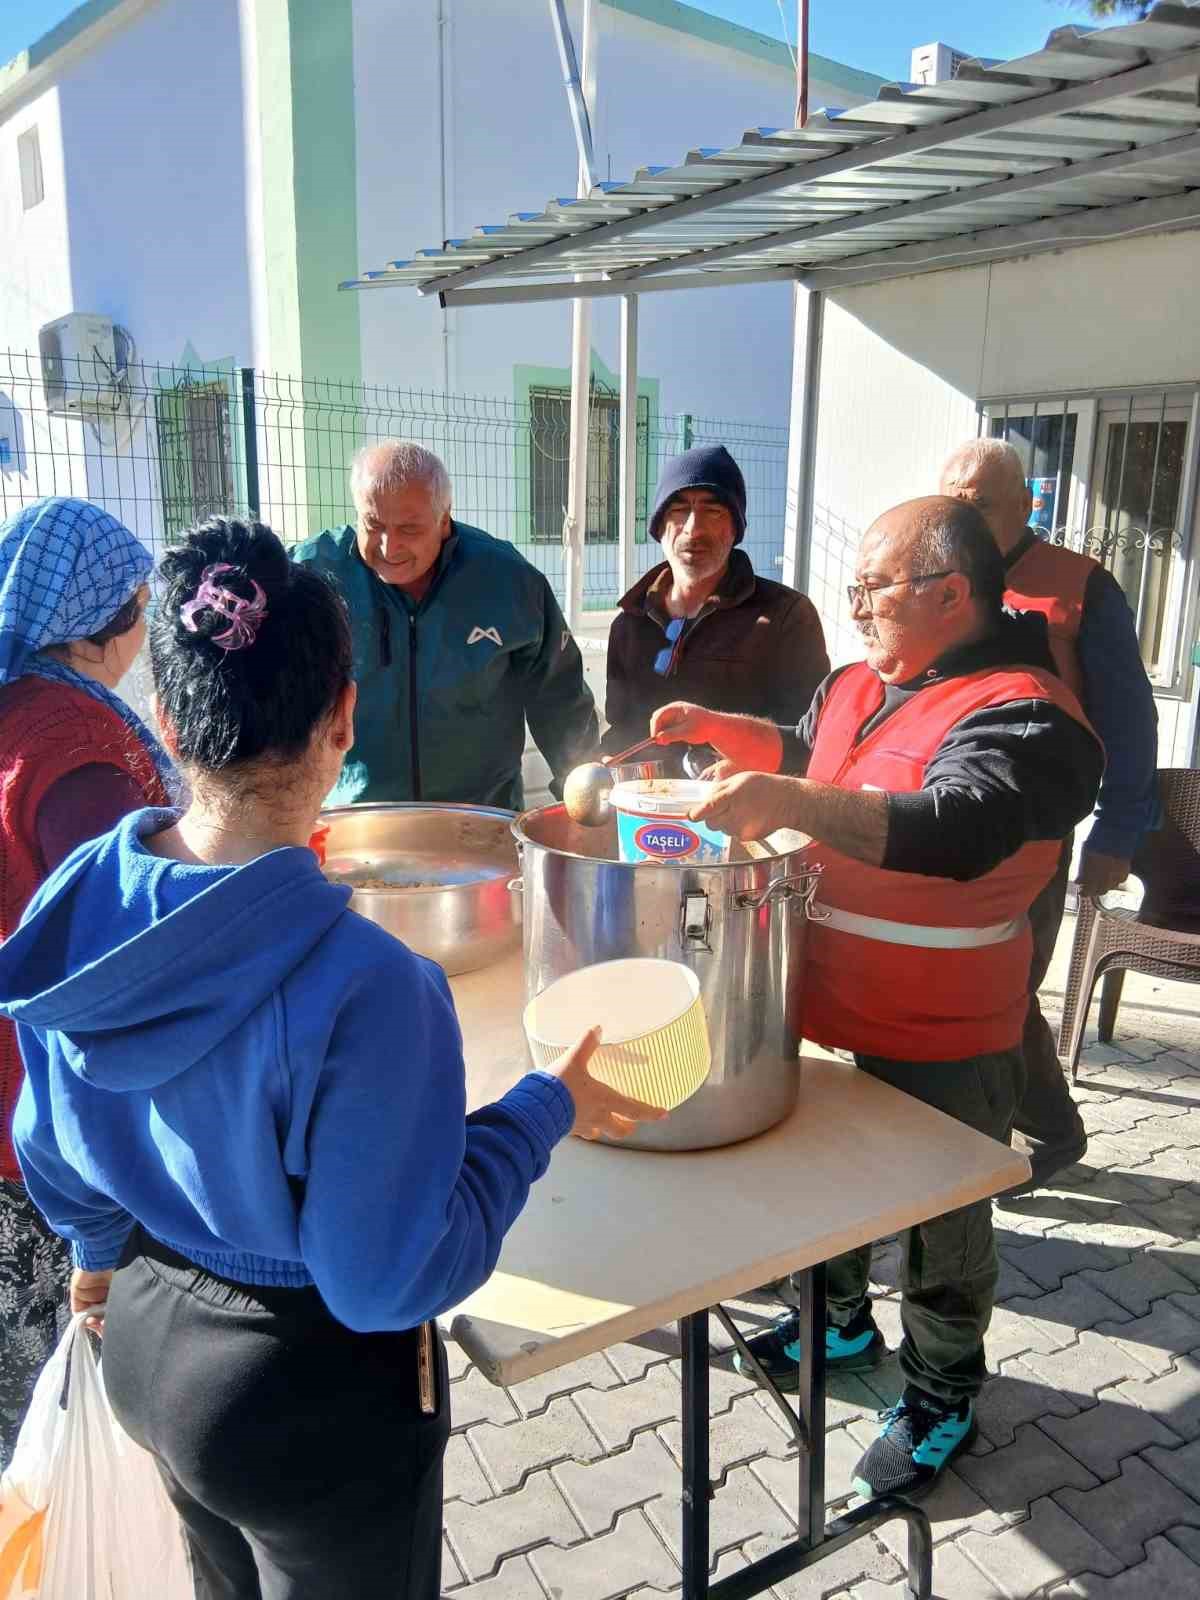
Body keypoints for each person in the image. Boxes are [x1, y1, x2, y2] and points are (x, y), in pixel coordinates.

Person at [0, 517, 659, 1599]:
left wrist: (97, 1260)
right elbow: (382, 1274)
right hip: (306, 1402)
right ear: (342, 719)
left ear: (165, 718)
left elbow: (52, 1146)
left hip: (147, 1346)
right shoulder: (373, 986)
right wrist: (546, 1107)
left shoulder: (75, 907)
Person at [651, 497, 1102, 1501]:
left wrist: (788, 804)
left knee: (943, 1230)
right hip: (819, 1006)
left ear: (949, 594)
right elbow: (810, 753)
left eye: (872, 590)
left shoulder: (1030, 713)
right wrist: (724, 733)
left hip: (944, 1034)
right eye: (851, 589)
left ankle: (942, 1393)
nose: (855, 609)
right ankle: (837, 1322)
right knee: (823, 1193)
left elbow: (959, 823)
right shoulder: (860, 679)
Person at [0, 497, 174, 1467]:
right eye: (139, 601)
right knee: (53, 1411)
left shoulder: (15, 704)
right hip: (44, 1137)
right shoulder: (76, 747)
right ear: (110, 615)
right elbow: (117, 950)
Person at [940, 439, 1159, 1191]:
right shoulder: (943, 579)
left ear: (1025, 504)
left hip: (1034, 828)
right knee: (976, 980)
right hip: (949, 815)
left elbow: (1130, 719)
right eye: (951, 500)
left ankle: (1014, 1141)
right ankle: (1046, 1128)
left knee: (1005, 984)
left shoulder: (1079, 585)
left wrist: (1120, 831)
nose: (961, 515)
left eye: (979, 502)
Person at [294, 440, 599, 809]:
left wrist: (581, 798)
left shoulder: (509, 581)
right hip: (355, 823)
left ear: (444, 518)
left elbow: (561, 699)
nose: (389, 548)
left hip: (482, 821)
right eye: (373, 524)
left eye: (409, 529)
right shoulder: (311, 577)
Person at [602, 445, 829, 772]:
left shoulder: (784, 617)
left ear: (735, 528)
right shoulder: (630, 624)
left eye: (713, 511)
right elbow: (622, 729)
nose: (694, 530)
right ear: (658, 528)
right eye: (679, 510)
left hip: (745, 814)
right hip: (648, 811)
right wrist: (604, 765)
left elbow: (807, 737)